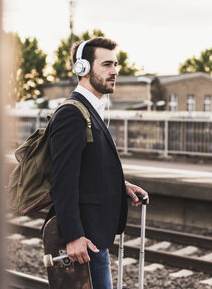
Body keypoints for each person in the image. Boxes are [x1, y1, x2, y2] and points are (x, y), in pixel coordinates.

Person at [47, 37, 148, 288]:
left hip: (94, 238)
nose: (115, 71)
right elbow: (63, 179)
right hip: (84, 241)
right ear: (82, 69)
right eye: (106, 65)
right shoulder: (73, 113)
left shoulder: (91, 110)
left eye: (116, 64)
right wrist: (73, 237)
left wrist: (119, 184)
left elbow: (87, 167)